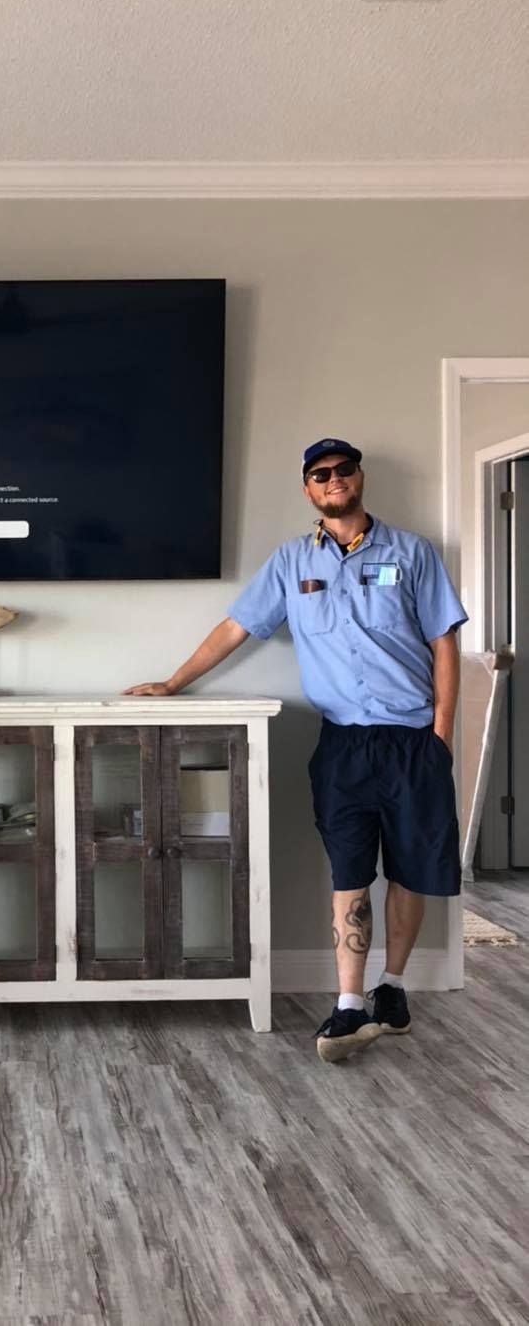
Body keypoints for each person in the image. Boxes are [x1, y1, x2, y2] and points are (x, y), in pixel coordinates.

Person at [124, 438, 467, 1063]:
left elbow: (444, 640)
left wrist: (443, 732)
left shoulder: (413, 553)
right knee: (350, 873)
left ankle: (393, 989)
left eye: (342, 470)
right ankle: (348, 1003)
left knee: (412, 869)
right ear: (308, 490)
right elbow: (237, 626)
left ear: (359, 479)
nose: (333, 480)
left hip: (415, 742)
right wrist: (175, 682)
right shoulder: (290, 562)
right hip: (342, 745)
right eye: (320, 475)